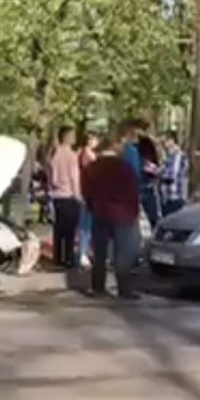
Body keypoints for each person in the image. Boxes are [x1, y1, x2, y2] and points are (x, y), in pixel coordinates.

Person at [81, 136, 141, 300]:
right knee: (122, 253)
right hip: (123, 214)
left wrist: (92, 207)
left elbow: (86, 192)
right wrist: (133, 212)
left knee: (100, 252)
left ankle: (98, 286)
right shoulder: (125, 168)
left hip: (101, 212)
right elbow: (133, 191)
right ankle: (124, 289)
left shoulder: (91, 168)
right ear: (115, 150)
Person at [47, 125, 81, 268]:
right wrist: (78, 195)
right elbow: (74, 178)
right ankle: (68, 258)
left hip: (56, 195)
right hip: (69, 195)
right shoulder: (71, 156)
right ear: (67, 137)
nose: (74, 138)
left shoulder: (54, 154)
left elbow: (51, 177)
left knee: (58, 228)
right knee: (70, 229)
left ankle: (57, 258)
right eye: (72, 135)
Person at [76, 132, 99, 267]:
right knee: (86, 225)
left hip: (87, 192)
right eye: (95, 139)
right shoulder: (88, 156)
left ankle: (84, 252)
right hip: (89, 193)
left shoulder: (83, 154)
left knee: (87, 224)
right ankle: (83, 253)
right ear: (89, 141)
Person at [158, 131, 188, 217]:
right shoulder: (168, 157)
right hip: (166, 198)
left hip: (175, 197)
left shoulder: (178, 156)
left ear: (172, 141)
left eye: (165, 141)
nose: (163, 144)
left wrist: (158, 173)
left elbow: (171, 175)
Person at [136, 132, 161, 227]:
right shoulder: (149, 157)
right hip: (148, 186)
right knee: (152, 216)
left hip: (138, 187)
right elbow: (155, 172)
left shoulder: (136, 155)